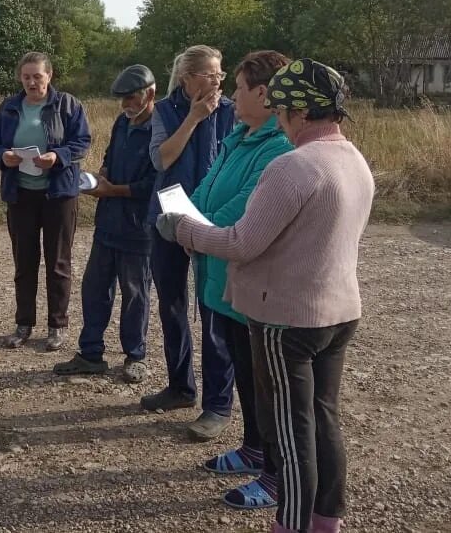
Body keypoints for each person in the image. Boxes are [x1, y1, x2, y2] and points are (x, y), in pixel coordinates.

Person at [157, 58, 375, 533]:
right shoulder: (353, 158)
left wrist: (185, 231)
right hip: (338, 314)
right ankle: (324, 522)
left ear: (298, 112)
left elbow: (240, 242)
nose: (278, 118)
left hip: (286, 321)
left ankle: (291, 524)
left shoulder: (291, 167)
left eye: (282, 110)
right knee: (323, 421)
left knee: (292, 433)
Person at [188, 51, 293, 511]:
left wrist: (193, 229)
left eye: (239, 87)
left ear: (264, 94)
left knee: (264, 381)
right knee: (245, 374)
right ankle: (252, 448)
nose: (231, 95)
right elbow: (207, 186)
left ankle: (274, 473)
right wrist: (186, 214)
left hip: (248, 279)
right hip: (220, 276)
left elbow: (245, 210)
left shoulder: (278, 146)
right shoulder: (239, 135)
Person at [143, 45, 236, 430]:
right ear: (187, 79)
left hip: (213, 220)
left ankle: (218, 405)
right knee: (172, 305)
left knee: (213, 310)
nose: (216, 82)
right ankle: (180, 386)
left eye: (220, 75)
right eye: (209, 75)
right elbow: (161, 158)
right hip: (169, 216)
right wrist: (194, 119)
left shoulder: (233, 111)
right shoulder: (165, 110)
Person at [52, 64, 157, 383]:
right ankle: (91, 353)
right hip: (109, 222)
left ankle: (135, 356)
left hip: (139, 228)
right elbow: (110, 158)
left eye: (131, 97)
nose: (126, 104)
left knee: (135, 293)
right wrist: (101, 178)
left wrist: (116, 190)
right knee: (95, 289)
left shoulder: (161, 130)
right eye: (122, 99)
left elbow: (154, 183)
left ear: (150, 94)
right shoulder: (122, 124)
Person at [0, 52, 91, 351]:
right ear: (20, 78)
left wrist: (58, 156)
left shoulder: (68, 105)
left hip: (58, 194)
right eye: (26, 77)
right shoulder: (9, 107)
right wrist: (3, 156)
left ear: (49, 76)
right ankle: (24, 323)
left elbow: (82, 142)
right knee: (24, 262)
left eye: (37, 77)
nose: (32, 82)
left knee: (57, 263)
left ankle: (57, 325)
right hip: (21, 194)